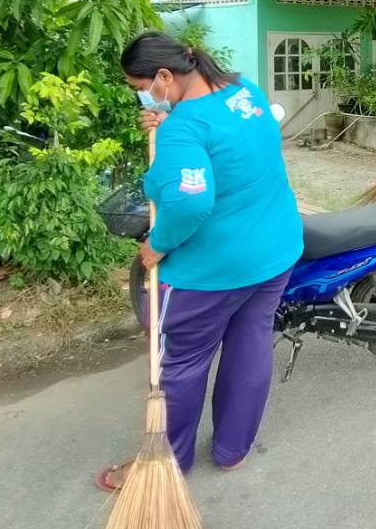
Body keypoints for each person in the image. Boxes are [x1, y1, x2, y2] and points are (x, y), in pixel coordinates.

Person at [111, 30, 303, 480]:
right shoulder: (244, 91)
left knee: (181, 363)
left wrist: (156, 247)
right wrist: (170, 123)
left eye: (142, 90)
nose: (145, 99)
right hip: (274, 250)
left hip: (215, 269)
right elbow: (233, 146)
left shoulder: (184, 129)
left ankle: (167, 467)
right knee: (250, 344)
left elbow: (191, 201)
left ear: (163, 76)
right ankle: (232, 448)